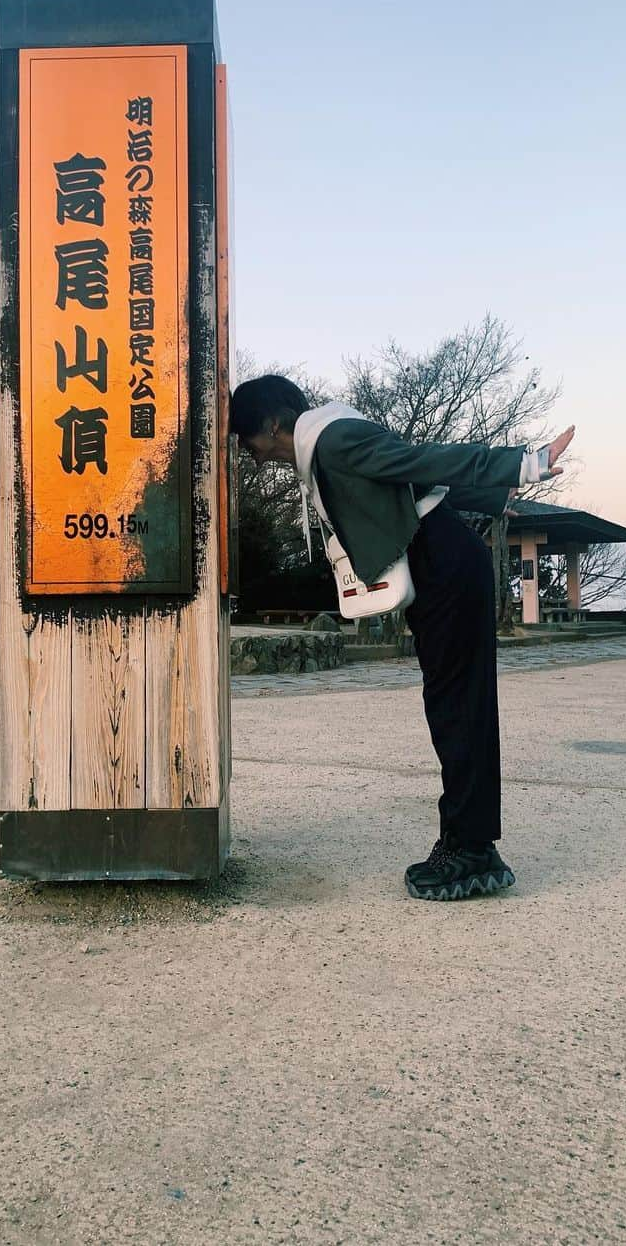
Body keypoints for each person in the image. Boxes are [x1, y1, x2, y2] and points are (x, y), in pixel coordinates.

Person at [231, 375, 575, 902]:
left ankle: (471, 850)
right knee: (456, 704)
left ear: (272, 424)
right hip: (443, 566)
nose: (251, 457)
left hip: (445, 568)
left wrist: (521, 464)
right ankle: (470, 843)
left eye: (246, 440)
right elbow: (410, 480)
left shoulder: (333, 439)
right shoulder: (326, 443)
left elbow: (420, 460)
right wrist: (493, 493)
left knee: (457, 705)